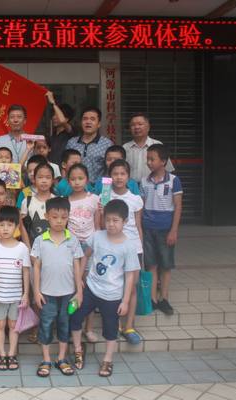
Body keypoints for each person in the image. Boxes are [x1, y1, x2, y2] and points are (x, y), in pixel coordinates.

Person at [70, 199, 141, 378]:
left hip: (113, 295)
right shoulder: (97, 236)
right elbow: (85, 255)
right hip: (91, 288)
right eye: (108, 220)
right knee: (74, 315)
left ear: (125, 221)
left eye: (115, 220)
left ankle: (108, 359)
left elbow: (130, 276)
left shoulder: (129, 246)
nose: (111, 224)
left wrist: (125, 301)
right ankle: (78, 349)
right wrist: (79, 280)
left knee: (110, 329)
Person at [31, 197, 83, 378]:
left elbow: (77, 266)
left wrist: (79, 291)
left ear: (68, 217)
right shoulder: (40, 240)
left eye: (63, 217)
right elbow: (36, 266)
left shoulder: (72, 240)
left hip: (68, 294)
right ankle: (46, 359)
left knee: (64, 324)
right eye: (54, 217)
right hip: (46, 293)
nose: (59, 221)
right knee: (45, 325)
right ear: (46, 216)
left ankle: (61, 358)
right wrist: (36, 291)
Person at [0, 206, 30, 371]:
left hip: (16, 296)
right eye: (2, 225)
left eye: (9, 225)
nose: (5, 228)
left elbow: (26, 272)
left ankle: (12, 354)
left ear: (16, 226)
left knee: (13, 325)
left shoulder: (22, 248)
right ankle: (2, 354)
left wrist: (26, 294)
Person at [140, 144, 183, 316]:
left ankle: (164, 298)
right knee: (151, 264)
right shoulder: (144, 181)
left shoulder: (173, 180)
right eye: (148, 159)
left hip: (166, 229)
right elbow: (141, 206)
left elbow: (178, 206)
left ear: (163, 161)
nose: (149, 162)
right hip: (148, 229)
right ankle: (152, 299)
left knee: (165, 265)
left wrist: (174, 230)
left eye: (152, 159)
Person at [105, 159, 143, 345]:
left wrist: (141, 249)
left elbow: (138, 226)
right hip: (112, 248)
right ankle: (116, 325)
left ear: (128, 176)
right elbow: (102, 224)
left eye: (123, 174)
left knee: (132, 287)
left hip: (133, 249)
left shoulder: (136, 199)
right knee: (114, 287)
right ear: (110, 176)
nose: (119, 177)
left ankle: (129, 326)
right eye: (115, 174)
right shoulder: (105, 197)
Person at [65, 163, 101, 343]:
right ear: (68, 181)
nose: (77, 182)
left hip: (90, 248)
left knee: (89, 289)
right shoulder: (65, 201)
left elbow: (98, 226)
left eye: (80, 178)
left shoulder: (94, 199)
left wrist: (94, 246)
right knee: (72, 287)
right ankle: (73, 326)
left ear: (87, 179)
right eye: (73, 179)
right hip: (72, 249)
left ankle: (89, 327)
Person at [66, 107, 114, 183]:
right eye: (85, 119)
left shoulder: (107, 144)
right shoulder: (71, 143)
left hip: (98, 187)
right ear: (81, 122)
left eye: (92, 119)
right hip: (75, 186)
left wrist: (106, 188)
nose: (88, 122)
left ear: (99, 124)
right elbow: (65, 167)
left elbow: (111, 169)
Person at [123, 113, 174, 183]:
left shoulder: (157, 145)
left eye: (140, 124)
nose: (136, 127)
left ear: (148, 127)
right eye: (133, 125)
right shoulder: (125, 147)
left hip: (153, 186)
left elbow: (168, 170)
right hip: (131, 187)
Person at [20, 163, 55, 247]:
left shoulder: (57, 201)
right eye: (40, 177)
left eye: (48, 177)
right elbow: (22, 227)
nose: (44, 181)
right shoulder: (27, 201)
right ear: (34, 179)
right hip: (33, 247)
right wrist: (28, 248)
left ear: (52, 180)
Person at [45, 92, 76, 165]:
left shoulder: (71, 132)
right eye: (53, 115)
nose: (54, 117)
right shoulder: (53, 135)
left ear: (67, 119)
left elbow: (62, 121)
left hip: (64, 169)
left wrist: (53, 103)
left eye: (57, 115)